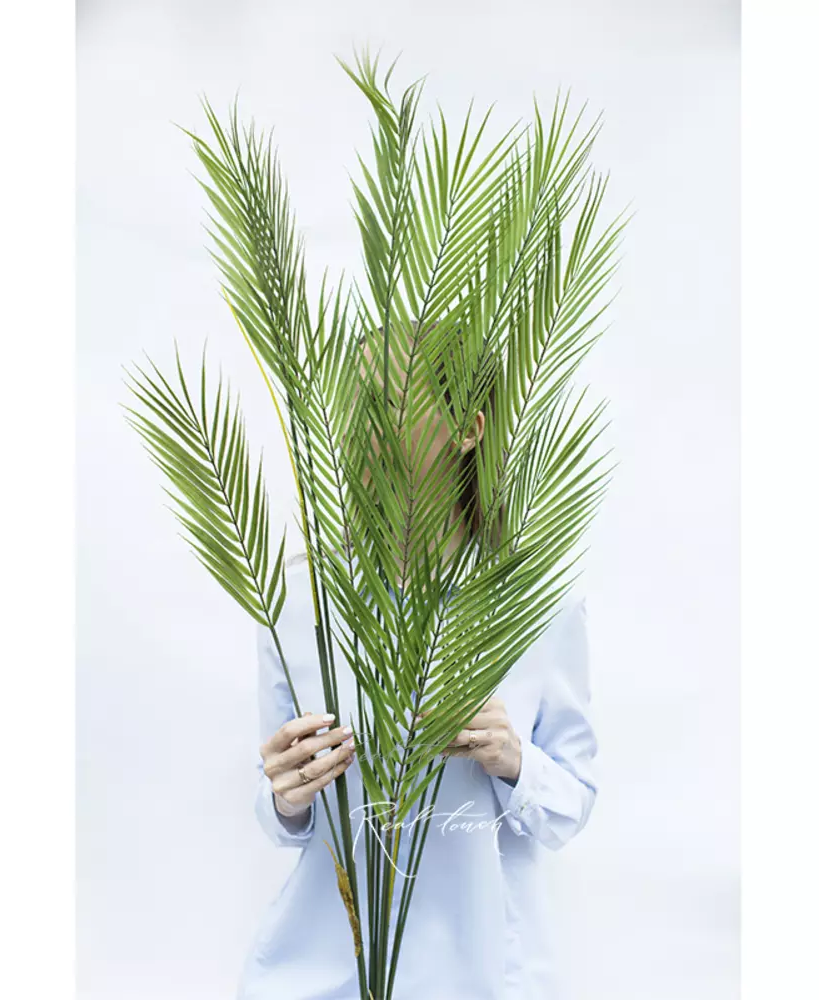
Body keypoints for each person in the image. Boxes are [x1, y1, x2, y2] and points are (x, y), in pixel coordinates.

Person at [236, 335, 599, 999]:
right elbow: (280, 816)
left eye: (386, 407)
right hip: (324, 973)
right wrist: (286, 796)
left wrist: (514, 759)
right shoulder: (297, 598)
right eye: (350, 408)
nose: (359, 431)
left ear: (470, 428)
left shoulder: (539, 603)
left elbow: (573, 804)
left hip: (487, 975)